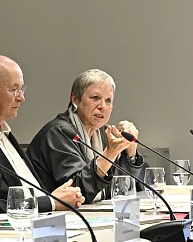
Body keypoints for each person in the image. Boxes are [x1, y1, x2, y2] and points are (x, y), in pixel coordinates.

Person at [0, 55, 85, 216]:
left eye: (22, 89)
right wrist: (50, 202)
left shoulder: (5, 134)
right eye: (14, 90)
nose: (22, 97)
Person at [27, 68, 146, 203]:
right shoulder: (59, 133)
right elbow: (78, 193)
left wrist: (131, 153)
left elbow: (121, 191)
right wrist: (109, 154)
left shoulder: (103, 133)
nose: (102, 106)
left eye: (108, 101)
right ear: (75, 100)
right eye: (95, 98)